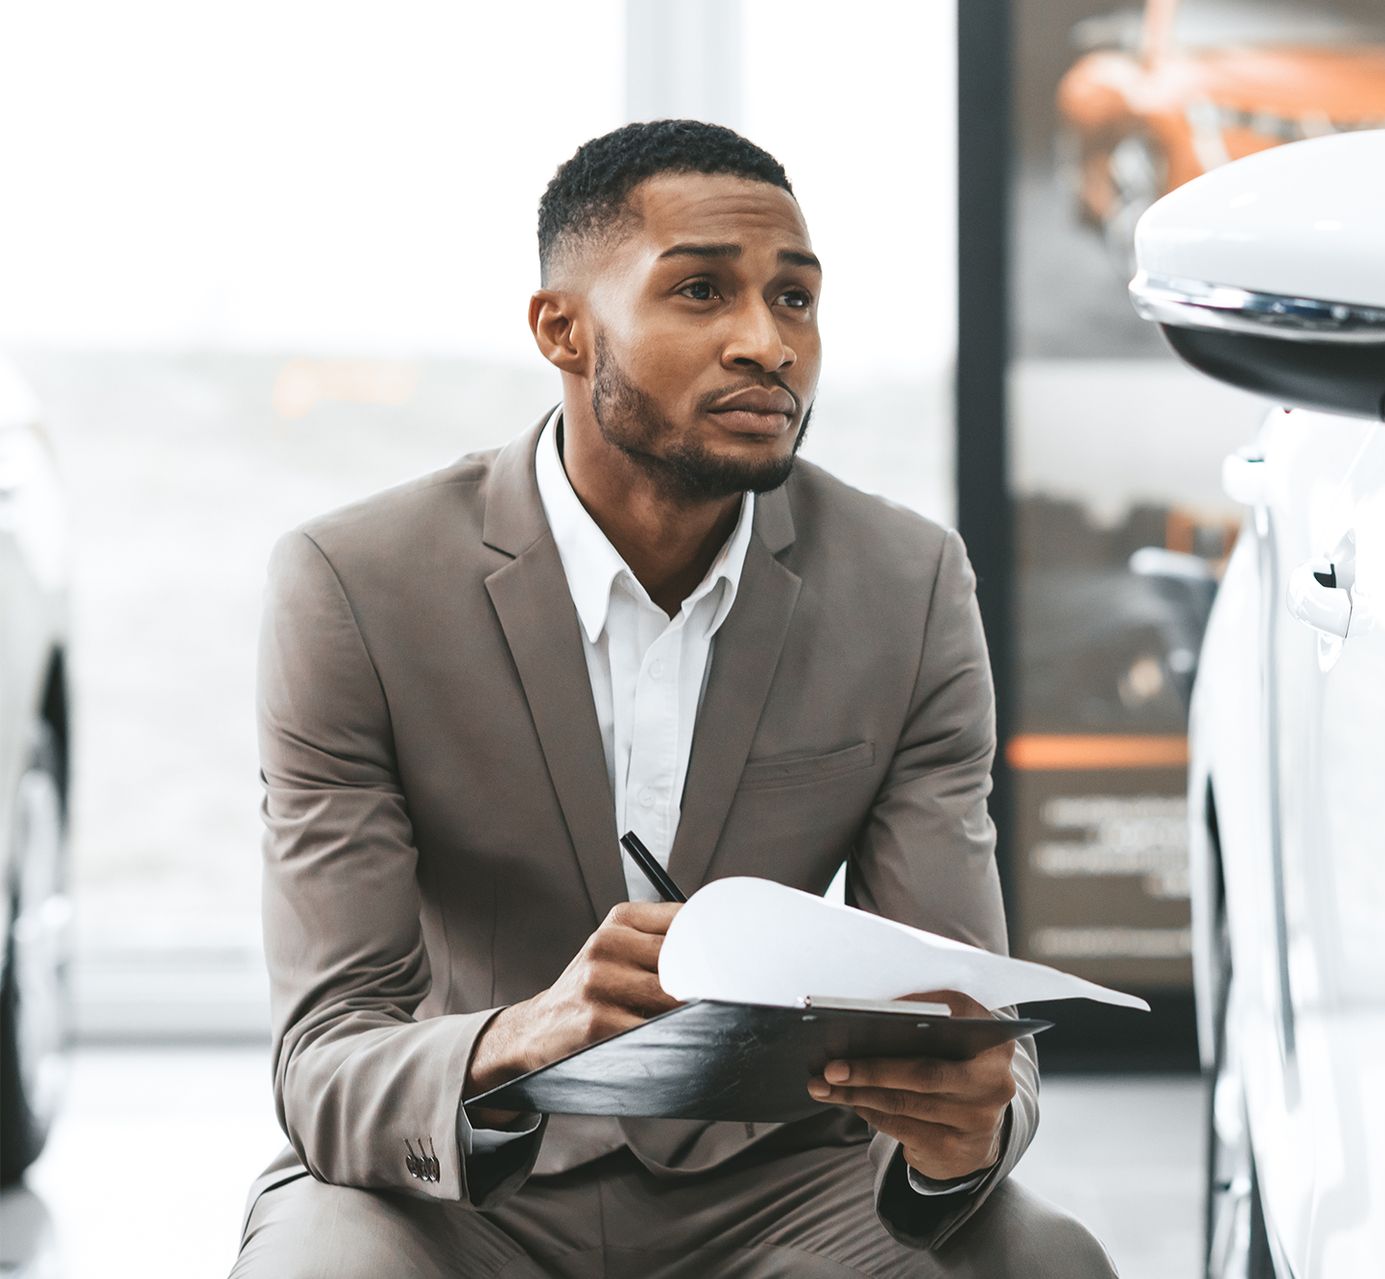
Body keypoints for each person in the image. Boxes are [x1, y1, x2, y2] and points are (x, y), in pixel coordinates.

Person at [227, 119, 1117, 1277]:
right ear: (561, 328)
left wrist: (961, 1138)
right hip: (460, 1187)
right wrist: (523, 1036)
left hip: (787, 1186)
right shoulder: (353, 585)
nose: (768, 343)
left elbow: (964, 1010)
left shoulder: (909, 584)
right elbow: (330, 1053)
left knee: (1048, 1258)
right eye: (702, 290)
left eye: (795, 301)